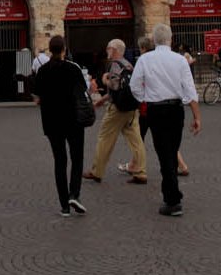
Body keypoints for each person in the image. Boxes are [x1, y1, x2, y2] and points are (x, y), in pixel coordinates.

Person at [129, 24, 201, 217]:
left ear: (154, 40)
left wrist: (145, 97)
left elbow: (134, 85)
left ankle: (173, 200)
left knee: (164, 153)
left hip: (156, 109)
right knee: (172, 148)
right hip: (176, 109)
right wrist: (197, 116)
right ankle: (173, 193)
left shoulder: (145, 59)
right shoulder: (180, 60)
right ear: (171, 38)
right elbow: (189, 88)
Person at [31, 35, 88, 217]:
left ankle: (64, 205)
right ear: (64, 49)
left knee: (60, 161)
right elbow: (83, 91)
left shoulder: (43, 71)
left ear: (50, 49)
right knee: (77, 158)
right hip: (73, 120)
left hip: (52, 122)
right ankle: (74, 194)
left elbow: (37, 96)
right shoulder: (73, 69)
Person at [83, 38, 146, 185]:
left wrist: (105, 81)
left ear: (114, 50)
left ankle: (97, 171)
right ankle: (141, 171)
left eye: (108, 48)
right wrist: (102, 100)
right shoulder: (129, 65)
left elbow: (115, 87)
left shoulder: (114, 66)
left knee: (105, 138)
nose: (106, 51)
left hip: (117, 109)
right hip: (131, 108)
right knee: (136, 140)